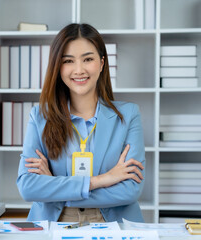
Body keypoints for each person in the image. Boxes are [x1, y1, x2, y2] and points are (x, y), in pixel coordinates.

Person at [16, 23, 145, 223]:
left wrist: (53, 187)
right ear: (58, 67)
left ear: (102, 63)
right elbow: (28, 187)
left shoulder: (128, 115)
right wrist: (101, 180)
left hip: (113, 225)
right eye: (68, 61)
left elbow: (130, 190)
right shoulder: (40, 116)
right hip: (55, 223)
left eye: (88, 59)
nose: (79, 70)